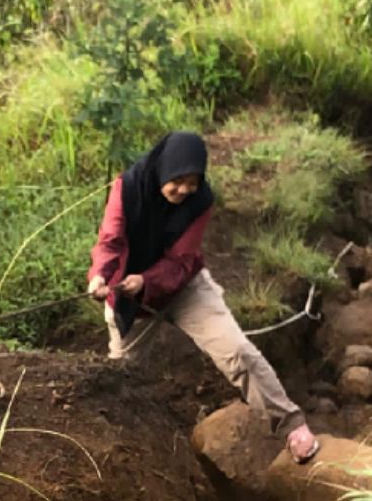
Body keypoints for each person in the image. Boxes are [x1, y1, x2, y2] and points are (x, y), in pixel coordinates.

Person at [89, 130, 322, 463]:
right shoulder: (127, 189)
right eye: (177, 181)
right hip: (130, 298)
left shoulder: (201, 201)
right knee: (119, 376)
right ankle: (118, 449)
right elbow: (110, 241)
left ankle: (291, 425)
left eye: (192, 182)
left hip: (185, 288)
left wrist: (147, 280)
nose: (184, 190)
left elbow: (181, 260)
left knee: (238, 352)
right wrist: (100, 276)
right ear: (164, 170)